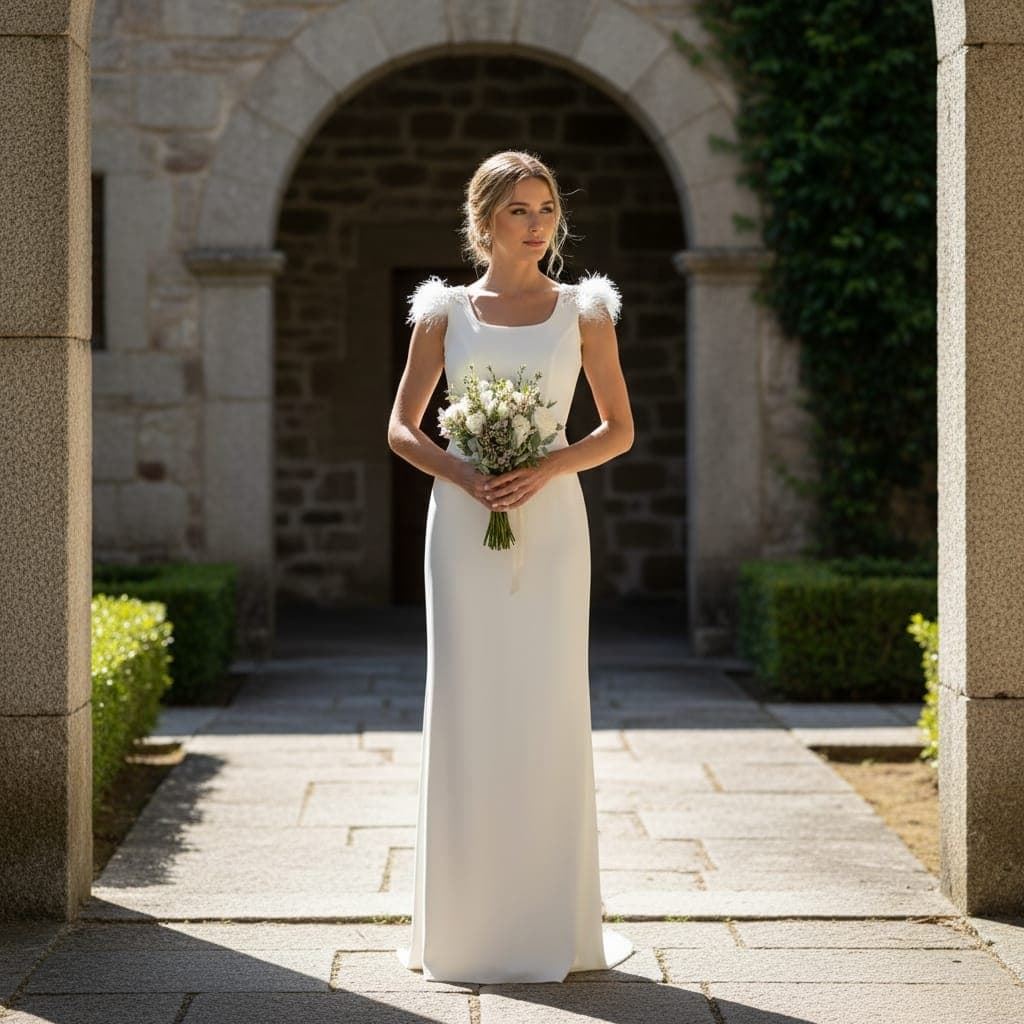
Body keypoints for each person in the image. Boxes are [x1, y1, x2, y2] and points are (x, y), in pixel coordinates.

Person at [386, 149, 636, 984]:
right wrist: (465, 474)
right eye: (518, 211)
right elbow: (402, 427)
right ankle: (465, 928)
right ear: (484, 220)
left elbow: (618, 429)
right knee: (469, 699)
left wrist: (546, 467)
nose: (537, 225)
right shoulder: (443, 313)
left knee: (547, 701)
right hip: (463, 526)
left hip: (554, 524)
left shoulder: (585, 312)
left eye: (546, 208)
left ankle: (550, 924)